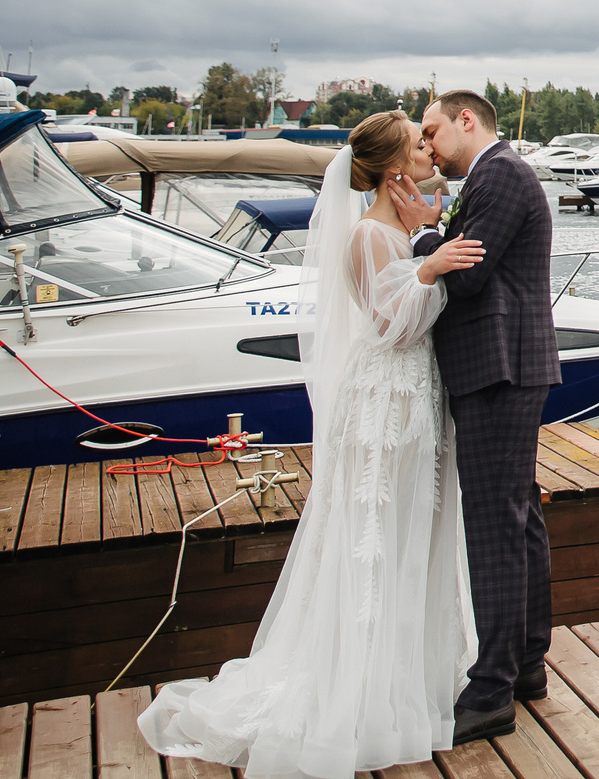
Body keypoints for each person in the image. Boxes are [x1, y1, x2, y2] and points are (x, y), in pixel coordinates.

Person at [140, 113, 486, 779]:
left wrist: (426, 251)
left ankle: (407, 676)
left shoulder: (403, 229)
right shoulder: (369, 234)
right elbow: (390, 325)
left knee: (413, 526)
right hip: (383, 399)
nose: (430, 149)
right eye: (419, 144)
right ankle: (357, 690)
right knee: (372, 533)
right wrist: (429, 267)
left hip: (415, 395)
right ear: (394, 169)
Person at [405, 89, 562, 744]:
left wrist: (424, 233)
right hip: (505, 365)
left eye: (432, 131)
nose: (428, 145)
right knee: (517, 516)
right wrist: (439, 230)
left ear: (466, 120)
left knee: (495, 524)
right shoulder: (494, 175)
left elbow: (465, 274)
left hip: (500, 367)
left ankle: (492, 687)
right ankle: (524, 662)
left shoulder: (499, 174)